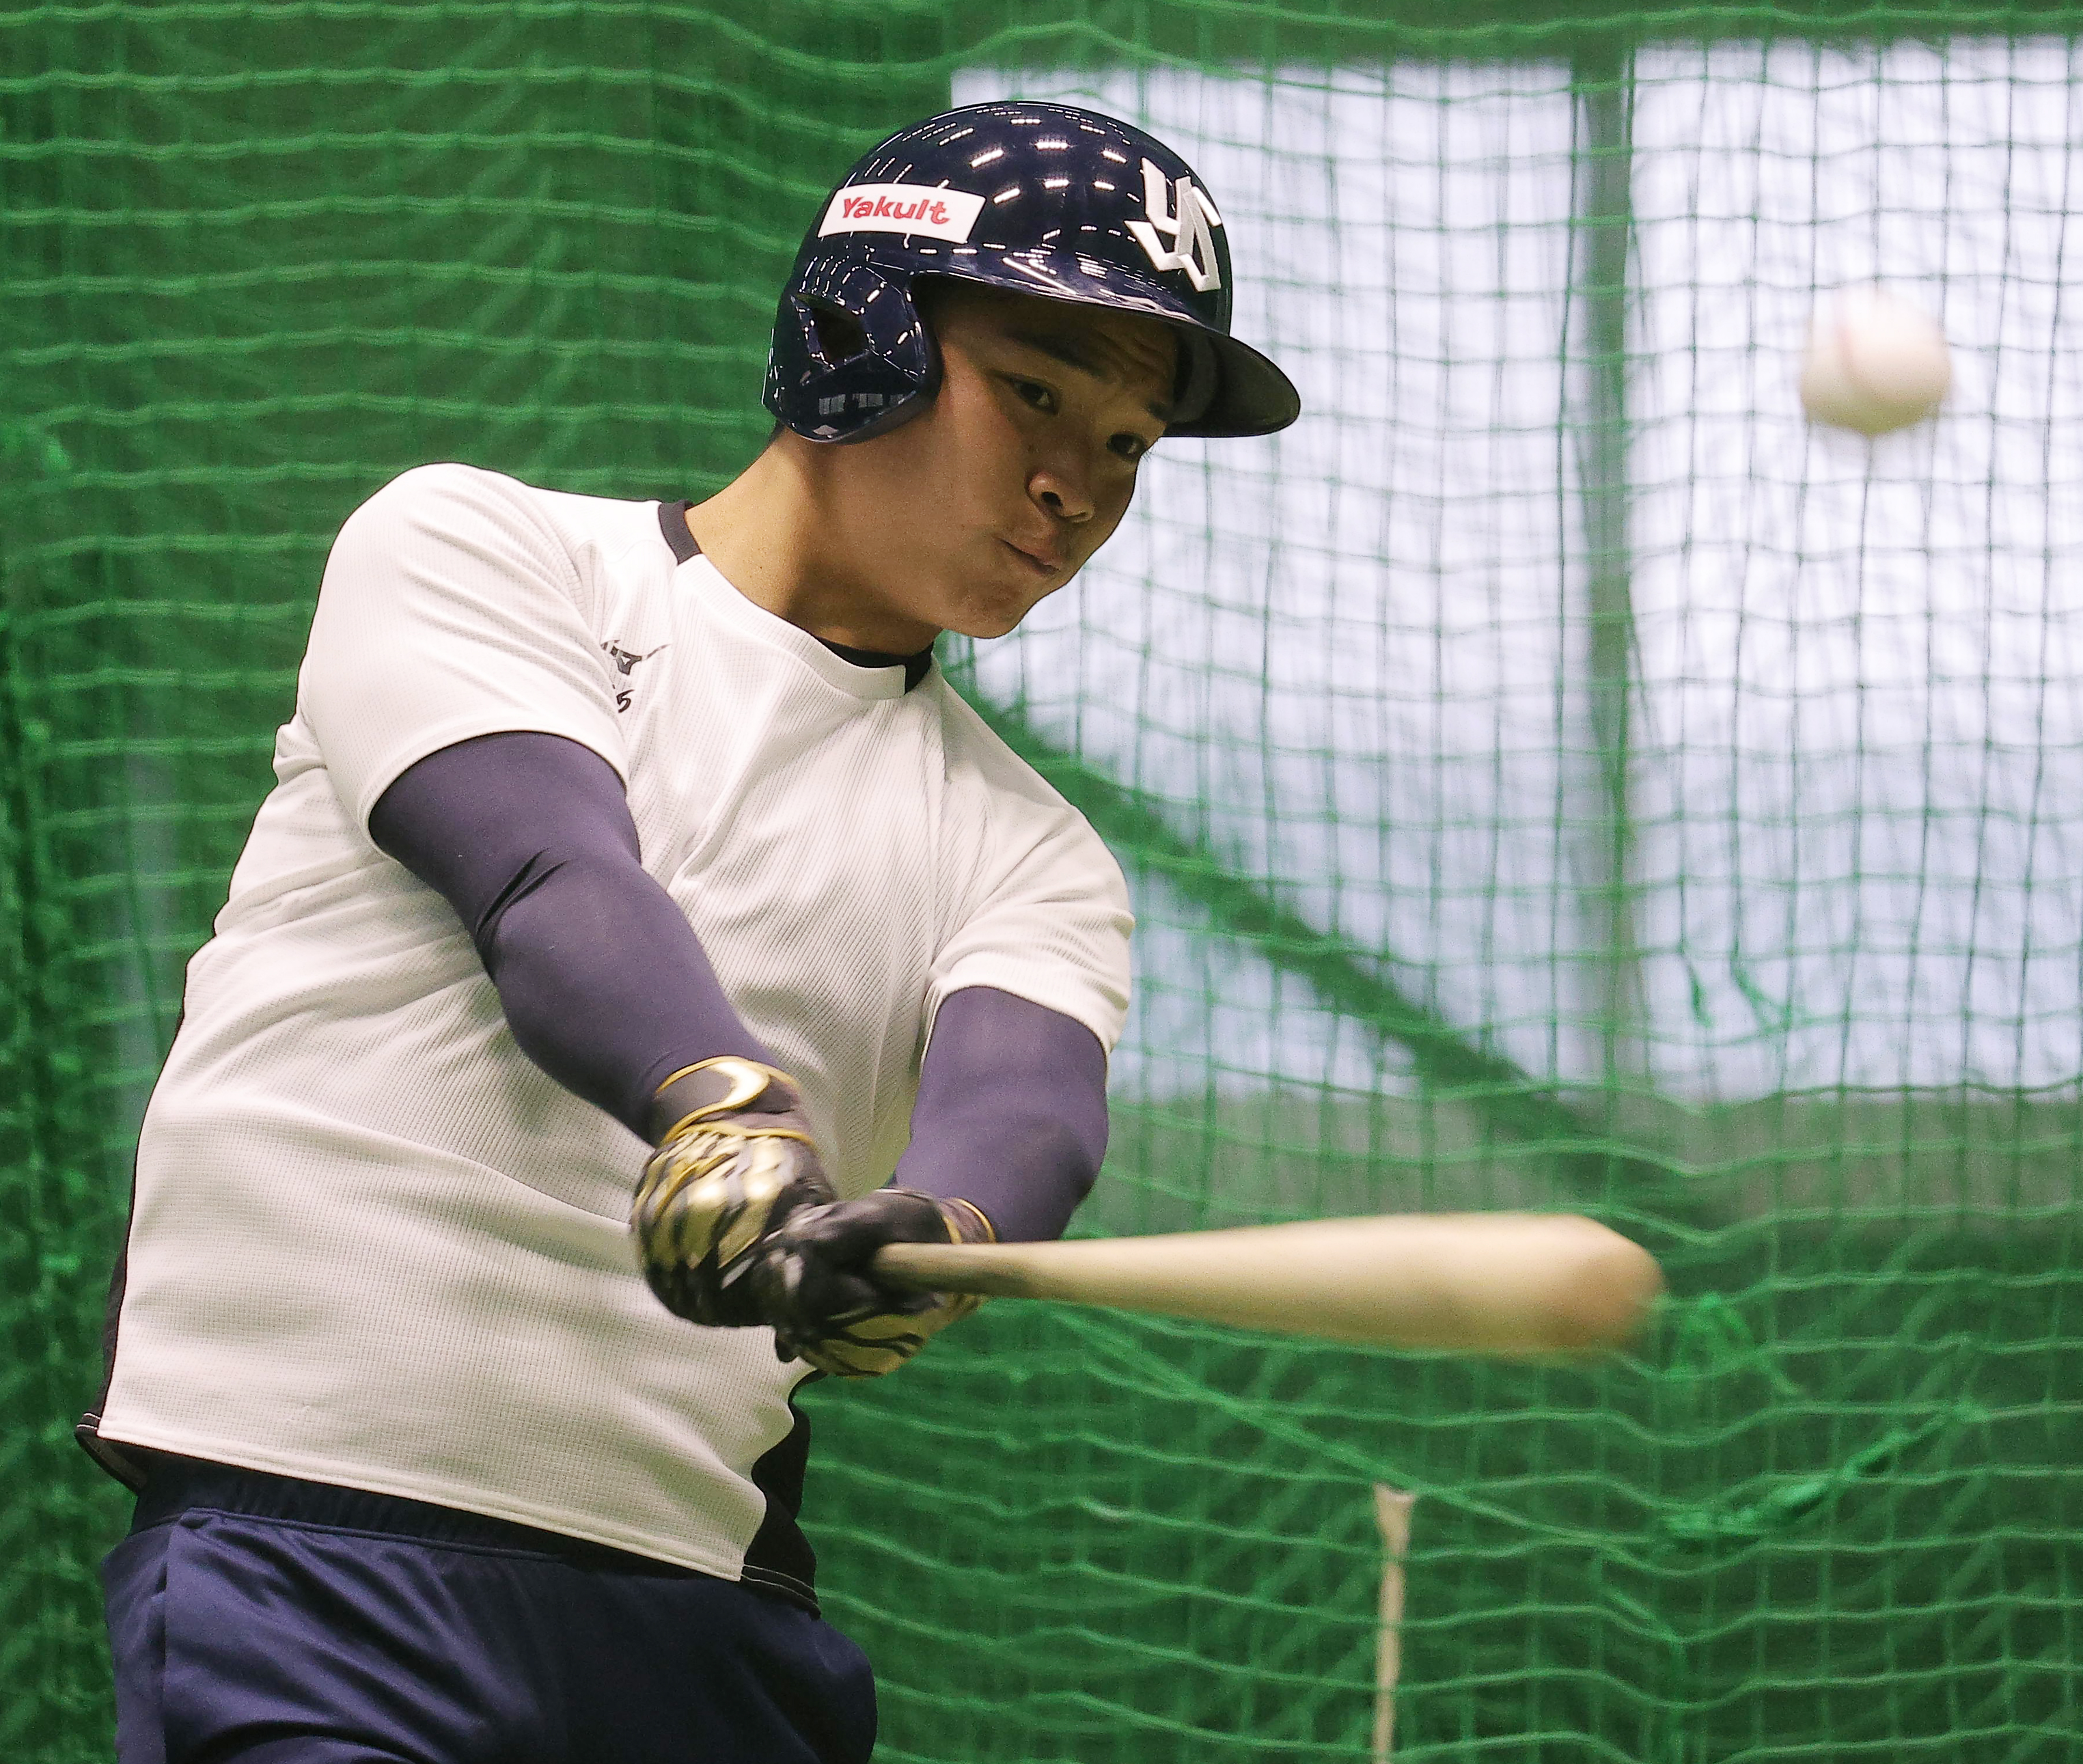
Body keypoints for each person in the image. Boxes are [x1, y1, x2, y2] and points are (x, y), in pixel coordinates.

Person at [80, 99, 1300, 1764]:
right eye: (1037, 393)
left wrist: (934, 1232)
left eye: (1126, 448)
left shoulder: (1030, 845)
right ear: (851, 336)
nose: (1075, 487)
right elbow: (549, 885)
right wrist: (723, 1105)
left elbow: (1031, 1101)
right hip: (314, 1559)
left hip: (690, 1620)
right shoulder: (481, 548)